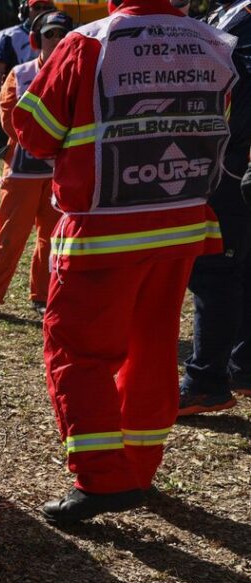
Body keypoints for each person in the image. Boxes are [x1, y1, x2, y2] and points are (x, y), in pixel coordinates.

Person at [12, 0, 236, 524]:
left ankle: (102, 481)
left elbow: (35, 130)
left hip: (103, 230)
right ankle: (138, 468)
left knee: (80, 352)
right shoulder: (211, 42)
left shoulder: (88, 42)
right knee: (153, 347)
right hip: (181, 224)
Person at [0, 11, 72, 323]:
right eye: (50, 34)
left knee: (52, 238)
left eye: (61, 35)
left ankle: (42, 296)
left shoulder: (76, 73)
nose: (56, 40)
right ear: (36, 39)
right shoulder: (21, 73)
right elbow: (11, 120)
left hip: (57, 173)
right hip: (22, 172)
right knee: (10, 236)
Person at [177, 0, 251, 415]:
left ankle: (206, 382)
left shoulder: (245, 18)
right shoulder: (234, 13)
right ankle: (243, 367)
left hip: (229, 164)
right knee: (241, 267)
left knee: (215, 273)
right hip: (230, 162)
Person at [0, 0, 56, 127]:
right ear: (25, 10)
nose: (42, 11)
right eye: (37, 7)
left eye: (47, 8)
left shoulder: (61, 34)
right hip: (19, 101)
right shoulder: (9, 36)